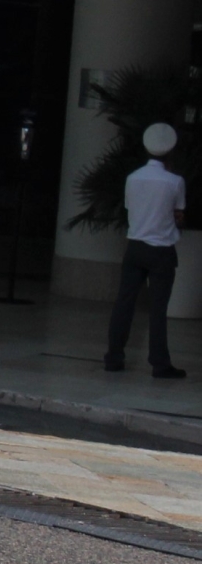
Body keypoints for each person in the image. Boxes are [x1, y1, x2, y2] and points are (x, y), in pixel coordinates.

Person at [105, 121, 187, 378]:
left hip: (135, 247)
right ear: (170, 151)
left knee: (124, 303)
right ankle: (159, 363)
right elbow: (178, 214)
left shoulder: (133, 178)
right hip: (161, 250)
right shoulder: (175, 181)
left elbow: (132, 209)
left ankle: (114, 357)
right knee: (158, 309)